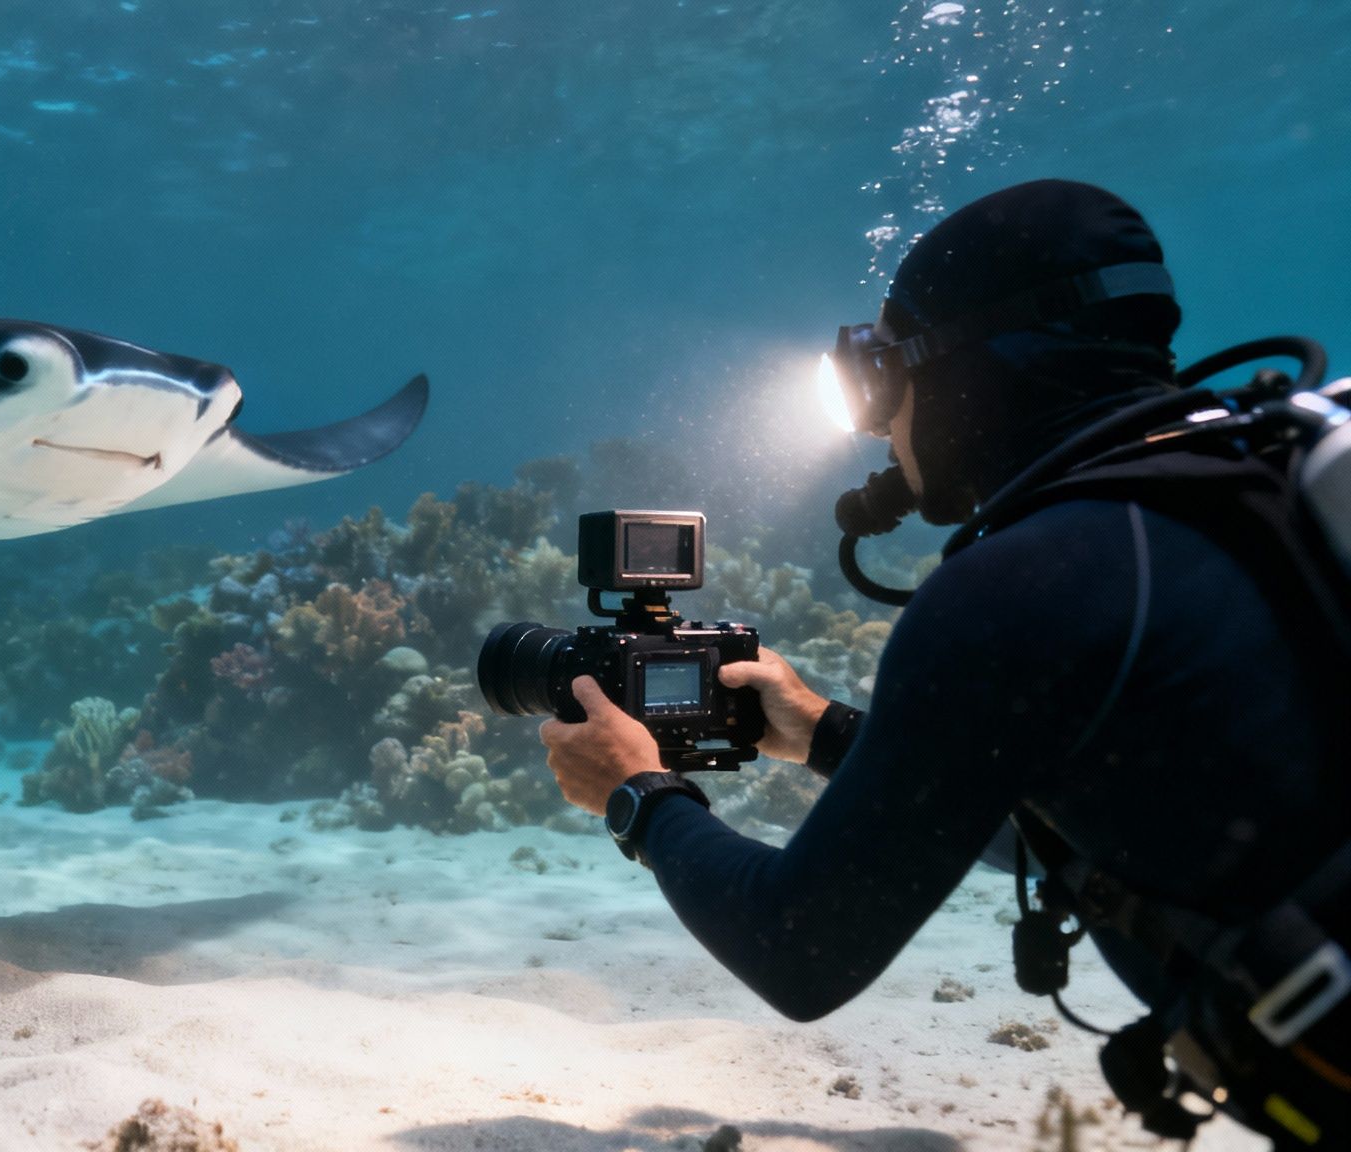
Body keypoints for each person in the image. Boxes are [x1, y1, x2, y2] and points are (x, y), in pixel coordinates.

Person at [539, 180, 1348, 1148]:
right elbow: (1104, 807)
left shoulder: (1016, 589)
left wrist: (636, 794)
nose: (876, 428)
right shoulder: (1258, 489)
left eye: (879, 379)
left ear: (965, 371)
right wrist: (830, 735)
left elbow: (794, 950)